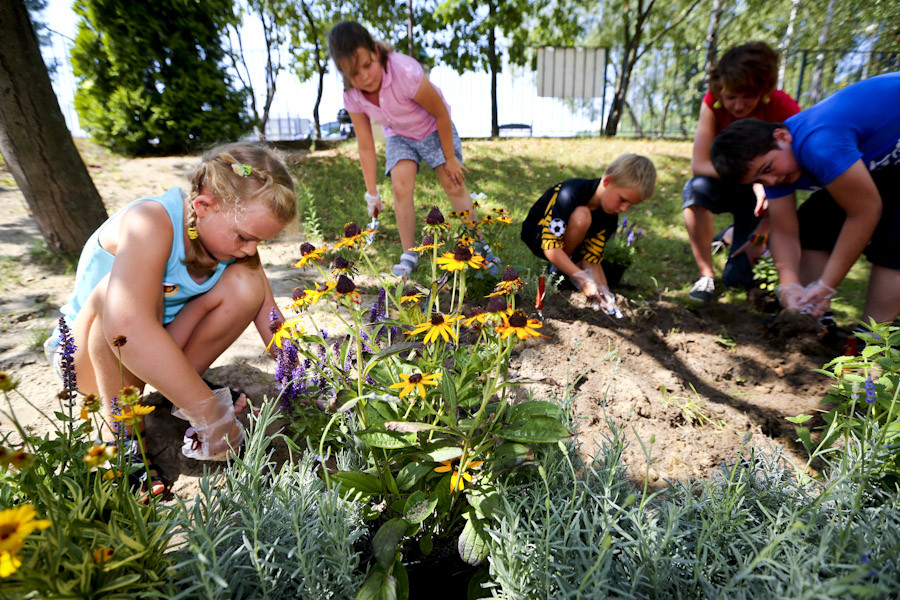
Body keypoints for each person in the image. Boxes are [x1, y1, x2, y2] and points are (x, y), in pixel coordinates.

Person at [44, 142, 297, 493]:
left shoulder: (231, 243)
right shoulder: (149, 222)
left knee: (247, 284)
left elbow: (271, 318)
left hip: (149, 354)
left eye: (260, 242)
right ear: (203, 206)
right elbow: (126, 327)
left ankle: (179, 391)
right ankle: (121, 439)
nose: (251, 249)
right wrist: (211, 413)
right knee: (113, 297)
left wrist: (305, 373)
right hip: (88, 364)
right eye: (244, 237)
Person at [709, 72, 900, 325]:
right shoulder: (778, 168)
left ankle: (874, 340)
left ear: (781, 136)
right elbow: (785, 230)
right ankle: (815, 319)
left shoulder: (819, 144)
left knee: (896, 239)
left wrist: (827, 284)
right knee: (813, 224)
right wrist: (789, 285)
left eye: (767, 170)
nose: (771, 182)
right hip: (887, 165)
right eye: (759, 181)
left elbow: (864, 211)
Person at [327, 20, 498, 277]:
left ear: (375, 50)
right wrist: (372, 194)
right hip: (399, 135)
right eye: (354, 73)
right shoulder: (352, 95)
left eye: (367, 65)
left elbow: (440, 112)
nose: (365, 76)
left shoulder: (404, 71)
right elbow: (365, 146)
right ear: (343, 73)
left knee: (453, 183)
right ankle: (409, 253)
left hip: (432, 127)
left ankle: (480, 247)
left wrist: (450, 158)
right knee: (400, 184)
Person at [683, 42, 800, 302]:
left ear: (763, 90)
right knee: (695, 190)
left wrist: (764, 189)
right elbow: (699, 165)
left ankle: (730, 236)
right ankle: (706, 276)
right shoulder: (712, 103)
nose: (737, 105)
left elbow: (793, 166)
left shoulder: (782, 107)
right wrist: (754, 179)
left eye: (747, 96)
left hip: (763, 193)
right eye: (730, 97)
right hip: (724, 180)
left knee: (738, 279)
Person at [520, 153, 656, 312]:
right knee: (581, 216)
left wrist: (605, 291)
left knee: (595, 273)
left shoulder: (610, 217)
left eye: (630, 205)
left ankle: (567, 267)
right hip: (539, 237)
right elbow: (550, 246)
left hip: (567, 243)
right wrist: (582, 278)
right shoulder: (570, 193)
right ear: (607, 182)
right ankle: (557, 270)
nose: (624, 209)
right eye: (623, 200)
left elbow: (592, 258)